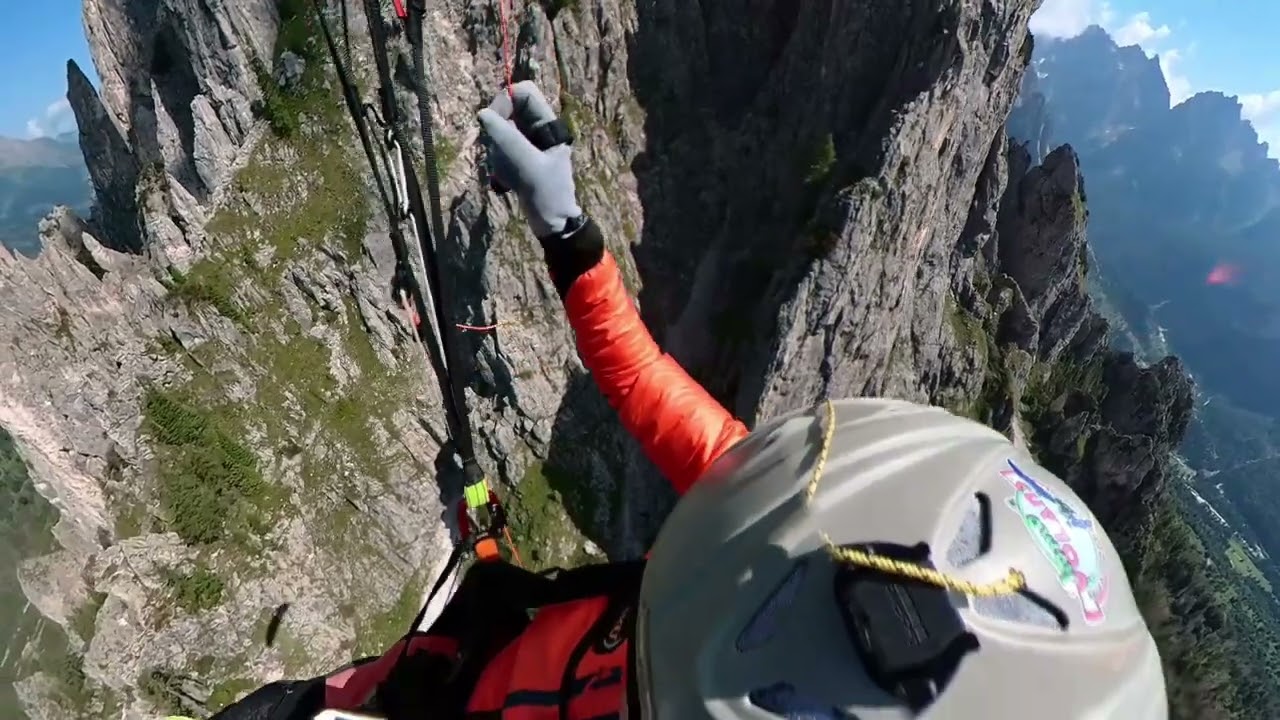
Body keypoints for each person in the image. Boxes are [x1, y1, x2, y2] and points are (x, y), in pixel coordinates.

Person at [204, 82, 1168, 720]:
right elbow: (643, 383)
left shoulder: (770, 555)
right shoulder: (777, 532)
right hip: (446, 666)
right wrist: (568, 232)